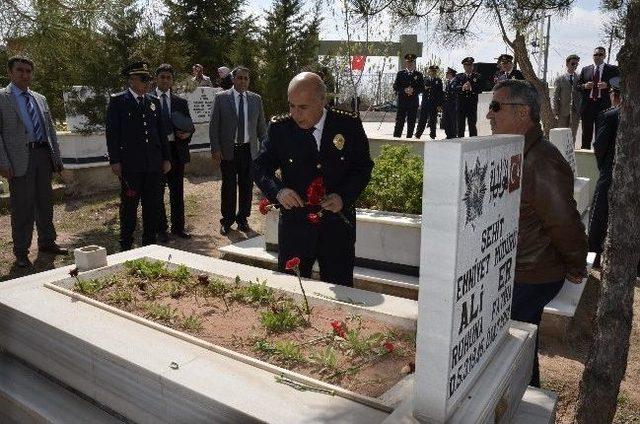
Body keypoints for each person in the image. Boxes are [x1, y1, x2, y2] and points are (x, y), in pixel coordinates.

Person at [486, 79, 587, 387]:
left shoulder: (540, 159)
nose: (489, 115)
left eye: (495, 107)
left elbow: (563, 221)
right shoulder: (518, 150)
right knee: (516, 344)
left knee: (516, 346)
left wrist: (576, 265)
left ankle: (527, 401)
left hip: (532, 272)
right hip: (519, 267)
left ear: (522, 113)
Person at [254, 72, 373, 286]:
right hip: (295, 228)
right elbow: (260, 167)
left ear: (322, 101)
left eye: (303, 107)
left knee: (340, 288)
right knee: (292, 290)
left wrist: (343, 197)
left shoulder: (348, 125)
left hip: (337, 228)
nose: (295, 114)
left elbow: (363, 167)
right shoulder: (280, 129)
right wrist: (279, 191)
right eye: (291, 106)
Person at [0, 56, 67, 267]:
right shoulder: (2, 97)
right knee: (22, 207)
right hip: (19, 159)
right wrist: (3, 163)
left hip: (42, 156)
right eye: (20, 70)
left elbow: (50, 131)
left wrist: (57, 158)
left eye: (28, 71)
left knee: (45, 203)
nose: (25, 74)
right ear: (10, 73)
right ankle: (21, 251)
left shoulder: (40, 98)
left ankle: (47, 242)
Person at [106, 61, 171, 250]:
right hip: (131, 166)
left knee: (152, 205)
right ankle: (126, 244)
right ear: (132, 80)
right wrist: (115, 160)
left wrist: (166, 158)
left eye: (148, 79)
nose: (147, 83)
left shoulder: (153, 102)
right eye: (143, 79)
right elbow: (112, 133)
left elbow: (161, 133)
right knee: (129, 206)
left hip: (153, 164)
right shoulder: (118, 101)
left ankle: (149, 243)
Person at [210, 66, 267, 235]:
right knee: (228, 186)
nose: (243, 81)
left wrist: (264, 151)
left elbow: (261, 128)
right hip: (229, 150)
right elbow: (214, 126)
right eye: (240, 78)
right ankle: (227, 220)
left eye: (246, 78)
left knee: (246, 185)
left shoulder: (256, 99)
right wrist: (215, 148)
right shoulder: (221, 98)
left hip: (249, 151)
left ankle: (243, 219)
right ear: (233, 79)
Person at [154, 64, 195, 242]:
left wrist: (187, 134)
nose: (165, 80)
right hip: (156, 153)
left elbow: (189, 126)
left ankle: (178, 228)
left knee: (177, 191)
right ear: (156, 79)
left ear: (172, 81)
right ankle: (161, 229)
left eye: (168, 78)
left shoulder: (180, 102)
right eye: (162, 77)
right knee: (157, 192)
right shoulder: (148, 100)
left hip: (176, 151)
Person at [588, 77, 621, 269]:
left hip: (609, 173)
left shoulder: (609, 116)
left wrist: (605, 169)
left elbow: (599, 147)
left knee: (599, 216)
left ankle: (594, 258)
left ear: (613, 95)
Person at [577, 46, 620, 149]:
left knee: (600, 135)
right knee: (586, 134)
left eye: (600, 54)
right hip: (588, 106)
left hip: (603, 106)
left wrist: (607, 85)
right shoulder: (585, 69)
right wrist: (585, 86)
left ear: (604, 56)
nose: (598, 57)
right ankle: (585, 156)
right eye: (595, 54)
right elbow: (578, 86)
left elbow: (619, 83)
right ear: (593, 56)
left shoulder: (612, 69)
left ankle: (598, 158)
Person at [392, 53, 424, 138]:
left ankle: (409, 139)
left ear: (414, 63)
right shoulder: (400, 73)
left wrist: (413, 90)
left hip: (413, 102)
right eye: (408, 62)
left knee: (411, 122)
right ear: (406, 63)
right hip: (402, 101)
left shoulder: (419, 75)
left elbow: (421, 88)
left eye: (411, 62)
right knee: (399, 122)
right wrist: (404, 90)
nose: (410, 63)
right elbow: (395, 86)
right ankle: (396, 139)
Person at [553, 54, 582, 142]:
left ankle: (570, 155)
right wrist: (555, 110)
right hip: (562, 112)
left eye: (577, 64)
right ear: (567, 64)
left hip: (575, 113)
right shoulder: (560, 79)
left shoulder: (580, 79)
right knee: (561, 136)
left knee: (572, 137)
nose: (575, 66)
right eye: (573, 64)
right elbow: (555, 96)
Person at [454, 57, 483, 137]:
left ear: (473, 66)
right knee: (460, 126)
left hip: (472, 105)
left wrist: (471, 87)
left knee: (472, 125)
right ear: (464, 66)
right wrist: (462, 87)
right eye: (466, 65)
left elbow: (480, 88)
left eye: (470, 65)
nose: (468, 67)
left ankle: (473, 143)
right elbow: (454, 88)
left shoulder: (477, 76)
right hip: (461, 105)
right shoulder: (458, 77)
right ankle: (460, 142)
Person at [415, 65, 443, 139]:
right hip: (425, 103)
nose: (433, 73)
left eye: (434, 71)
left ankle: (432, 135)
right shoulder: (424, 80)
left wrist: (439, 105)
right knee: (422, 119)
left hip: (434, 104)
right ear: (429, 72)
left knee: (433, 120)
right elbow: (419, 90)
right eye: (431, 71)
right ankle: (418, 134)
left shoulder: (438, 81)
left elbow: (440, 93)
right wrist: (424, 88)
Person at [442, 67, 458, 139]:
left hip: (453, 106)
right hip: (446, 106)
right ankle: (448, 135)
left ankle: (453, 135)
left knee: (452, 121)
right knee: (446, 121)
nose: (446, 74)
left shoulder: (455, 82)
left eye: (447, 73)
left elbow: (454, 95)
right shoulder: (448, 82)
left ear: (451, 74)